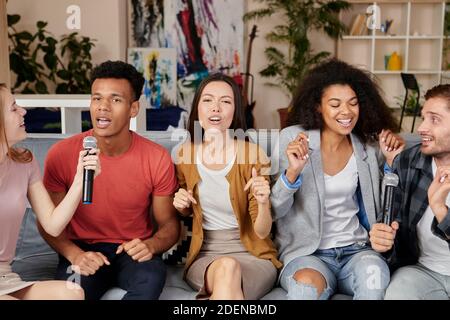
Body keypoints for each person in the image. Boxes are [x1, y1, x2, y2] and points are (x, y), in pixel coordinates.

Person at [39, 60, 180, 300]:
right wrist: (74, 255)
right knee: (71, 290)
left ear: (133, 108)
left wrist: (151, 245)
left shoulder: (156, 158)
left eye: (115, 100)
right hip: (82, 248)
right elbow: (48, 223)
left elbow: (169, 225)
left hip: (131, 250)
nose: (103, 107)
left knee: (152, 277)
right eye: (97, 98)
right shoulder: (61, 154)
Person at [271, 59, 405, 300]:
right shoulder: (293, 139)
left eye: (353, 103)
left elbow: (385, 205)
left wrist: (391, 163)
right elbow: (274, 210)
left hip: (358, 252)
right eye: (335, 104)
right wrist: (292, 173)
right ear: (318, 107)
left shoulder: (368, 146)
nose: (347, 112)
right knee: (305, 291)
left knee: (373, 280)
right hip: (308, 255)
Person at [173, 73, 282, 300]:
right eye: (208, 100)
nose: (216, 108)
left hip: (254, 255)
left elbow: (262, 231)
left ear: (235, 111)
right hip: (205, 256)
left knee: (229, 271)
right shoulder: (185, 155)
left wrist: (263, 203)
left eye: (225, 101)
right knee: (226, 268)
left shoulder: (252, 155)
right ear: (198, 109)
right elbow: (185, 212)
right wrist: (180, 203)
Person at [0, 84, 100, 300]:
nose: (23, 111)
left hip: (5, 278)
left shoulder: (24, 162)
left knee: (72, 293)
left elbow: (53, 226)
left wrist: (80, 179)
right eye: (13, 108)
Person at [370, 84, 450, 300]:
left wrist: (442, 213)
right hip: (423, 271)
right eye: (423, 118)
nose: (421, 128)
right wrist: (384, 241)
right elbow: (391, 220)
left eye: (434, 119)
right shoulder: (407, 162)